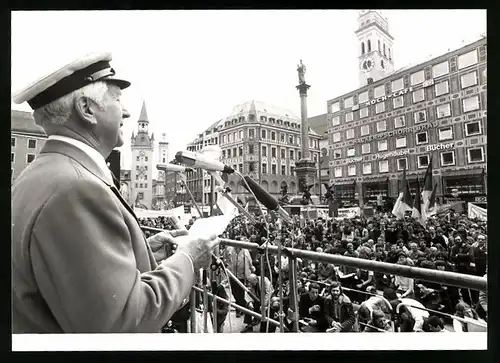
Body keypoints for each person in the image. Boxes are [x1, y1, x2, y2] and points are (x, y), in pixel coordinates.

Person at [11, 52, 219, 333]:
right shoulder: (77, 189)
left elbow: (77, 280)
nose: (127, 113)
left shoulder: (38, 174)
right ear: (86, 109)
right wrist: (188, 259)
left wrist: (143, 254)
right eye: (117, 99)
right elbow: (122, 320)